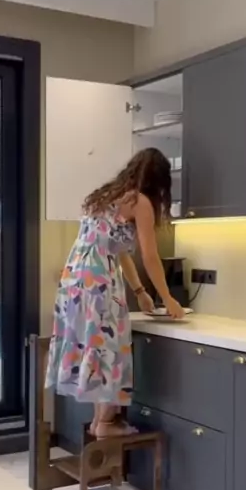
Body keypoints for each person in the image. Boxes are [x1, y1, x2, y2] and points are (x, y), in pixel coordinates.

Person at [45, 147, 185, 439]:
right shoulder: (140, 202)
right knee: (109, 345)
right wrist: (168, 298)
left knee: (95, 342)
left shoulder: (105, 196)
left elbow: (119, 252)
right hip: (99, 280)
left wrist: (140, 291)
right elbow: (150, 256)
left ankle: (100, 421)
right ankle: (106, 423)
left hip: (75, 279)